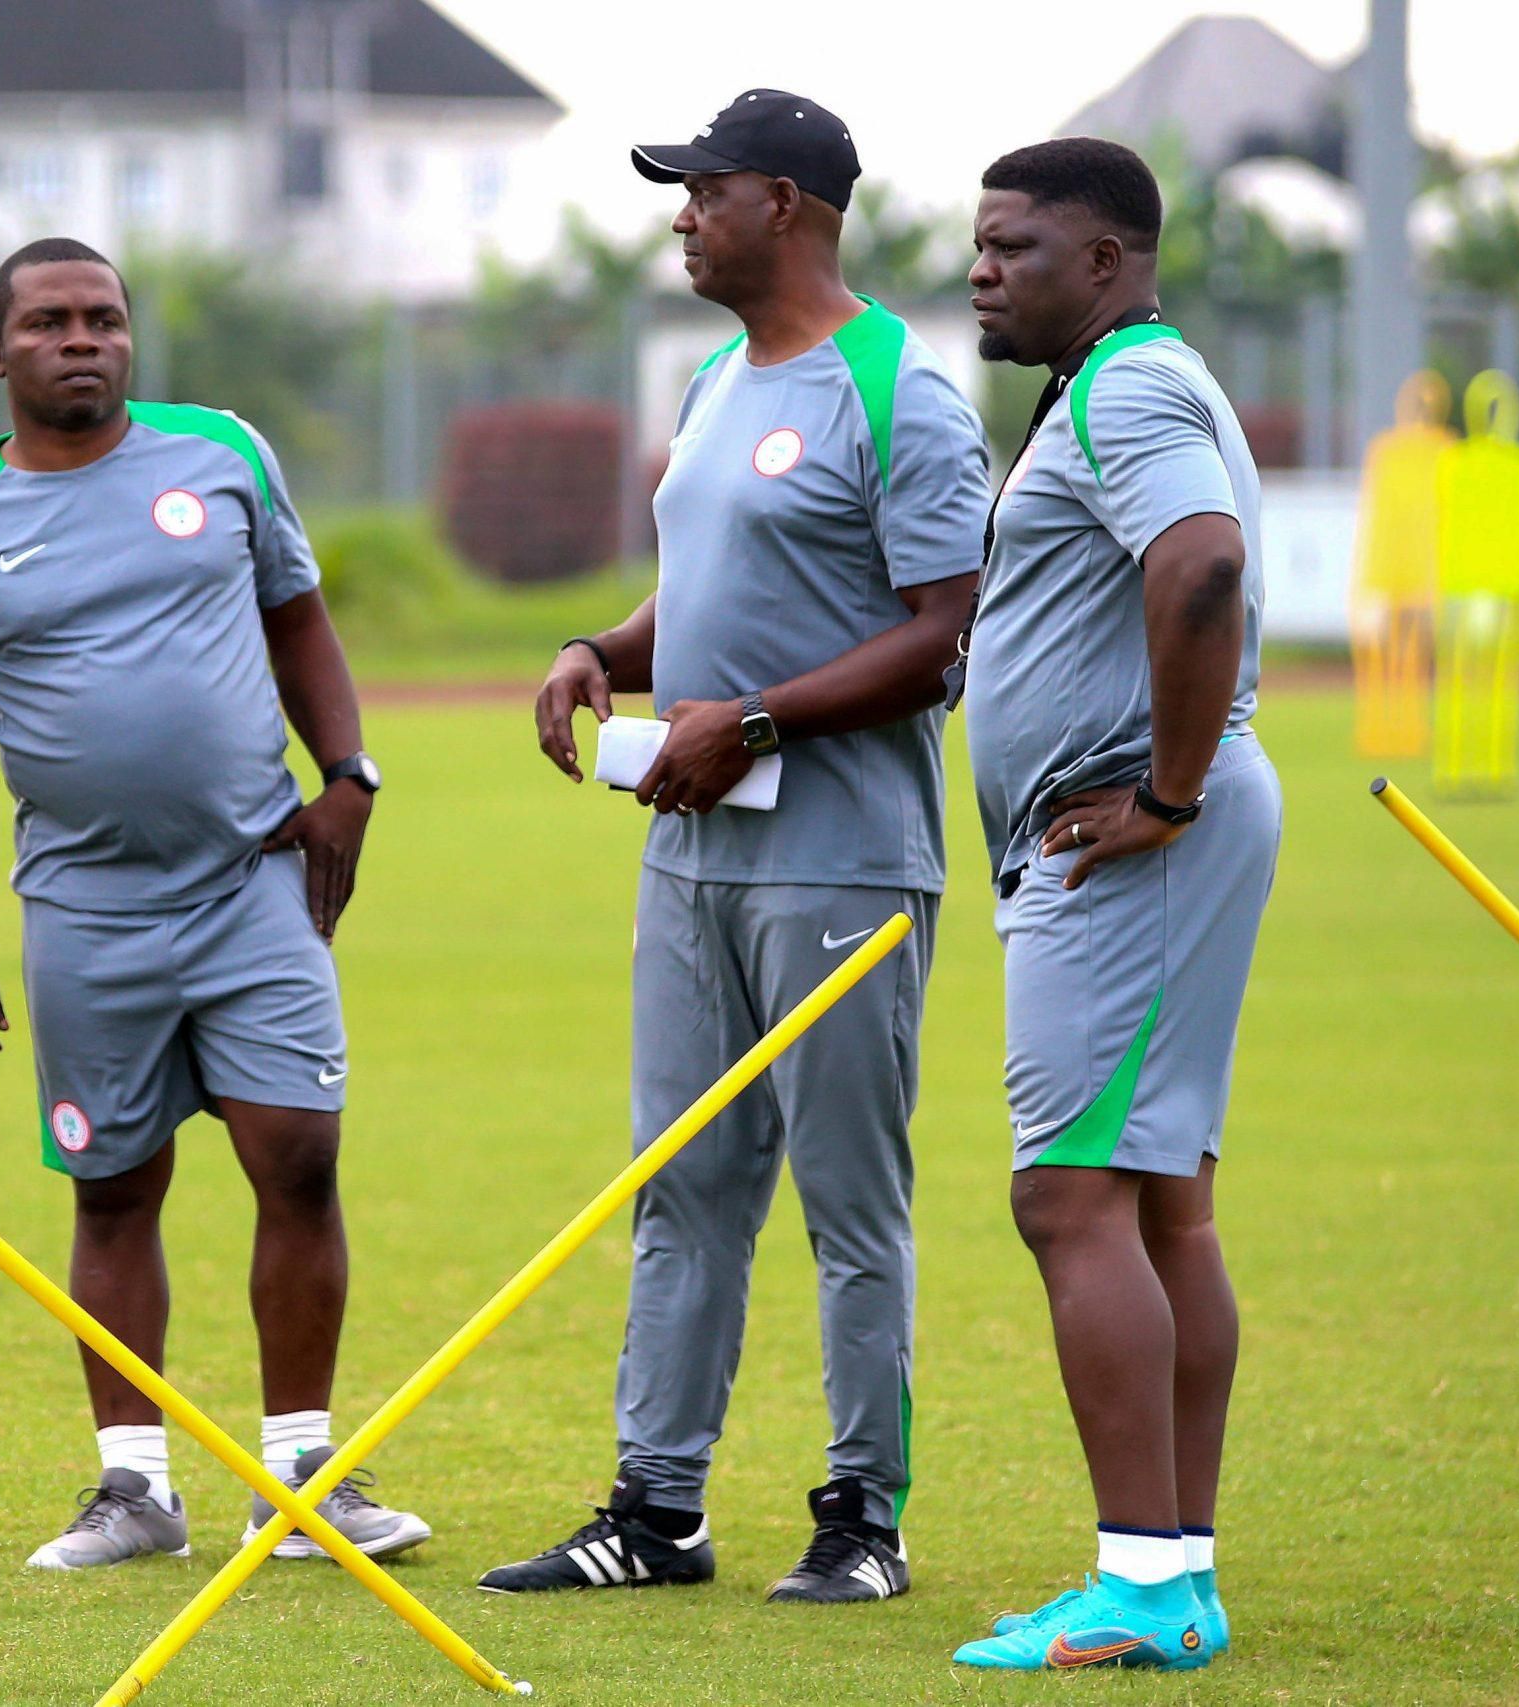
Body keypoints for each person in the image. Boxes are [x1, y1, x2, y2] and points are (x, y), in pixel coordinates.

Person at [483, 91, 986, 1603]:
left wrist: (752, 725)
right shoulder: (713, 378)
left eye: (700, 190)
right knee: (683, 1183)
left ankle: (862, 1521)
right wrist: (602, 650)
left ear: (783, 201)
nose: (680, 216)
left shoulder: (902, 390)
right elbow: (704, 591)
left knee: (849, 1198)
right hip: (692, 864)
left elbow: (944, 638)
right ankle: (656, 1511)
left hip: (843, 864)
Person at [0, 237, 428, 1571]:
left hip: (255, 880)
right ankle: (135, 1489)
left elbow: (299, 620)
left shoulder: (222, 456)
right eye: (54, 322)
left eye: (107, 319)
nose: (87, 341)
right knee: (114, 1188)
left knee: (298, 1155)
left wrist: (349, 773)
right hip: (83, 907)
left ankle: (301, 1479)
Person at [950, 137, 1278, 1672]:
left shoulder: (1132, 387)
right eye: (979, 243)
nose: (981, 270)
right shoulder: (1116, 388)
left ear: (1103, 260)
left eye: (1013, 246)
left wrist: (1165, 790)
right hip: (1143, 834)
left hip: (1133, 845)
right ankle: (1178, 1575)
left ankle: (1143, 1584)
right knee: (1157, 1206)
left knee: (1069, 1197)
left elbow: (1201, 567)